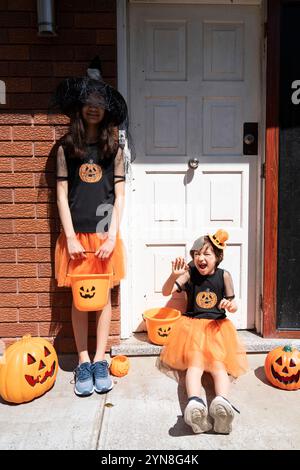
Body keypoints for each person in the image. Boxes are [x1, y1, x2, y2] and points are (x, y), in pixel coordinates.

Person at [53, 57, 128, 397]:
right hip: (77, 236)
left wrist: (112, 235)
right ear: (80, 107)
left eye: (100, 103)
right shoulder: (67, 147)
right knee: (81, 299)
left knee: (104, 297)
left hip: (104, 233)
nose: (94, 108)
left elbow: (121, 194)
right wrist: (69, 237)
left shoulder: (115, 148)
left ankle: (100, 359)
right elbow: (62, 191)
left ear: (106, 109)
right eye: (89, 102)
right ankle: (83, 360)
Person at [160, 229, 248, 434]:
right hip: (193, 328)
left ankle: (222, 403)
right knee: (195, 365)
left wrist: (230, 305)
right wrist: (173, 275)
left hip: (217, 327)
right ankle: (195, 403)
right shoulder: (189, 273)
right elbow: (166, 291)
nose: (200, 258)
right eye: (197, 254)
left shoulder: (224, 275)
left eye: (206, 254)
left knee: (218, 367)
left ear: (217, 257)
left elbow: (233, 303)